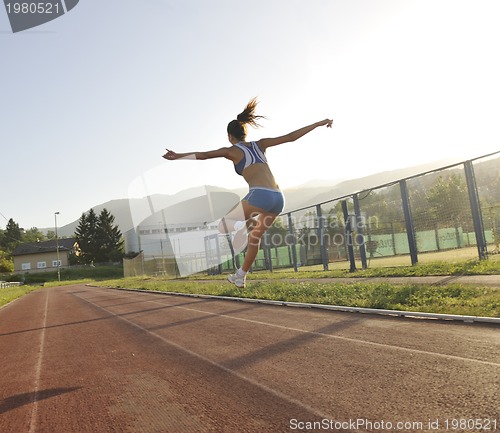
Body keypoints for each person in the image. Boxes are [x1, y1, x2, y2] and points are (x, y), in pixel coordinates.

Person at [163, 98, 332, 288]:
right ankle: (241, 276)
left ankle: (241, 229)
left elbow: (204, 155)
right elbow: (290, 137)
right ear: (244, 132)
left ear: (230, 136)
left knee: (223, 226)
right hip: (278, 198)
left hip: (260, 195)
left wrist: (177, 156)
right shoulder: (261, 144)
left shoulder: (232, 151)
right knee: (255, 238)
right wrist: (318, 123)